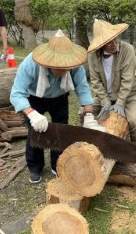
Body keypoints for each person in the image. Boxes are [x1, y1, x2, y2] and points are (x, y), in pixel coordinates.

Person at [10, 30, 104, 184]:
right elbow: (16, 93)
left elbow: (82, 87)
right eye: (58, 68)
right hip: (34, 98)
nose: (63, 71)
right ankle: (35, 167)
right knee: (36, 132)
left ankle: (58, 164)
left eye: (65, 68)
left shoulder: (73, 65)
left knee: (60, 131)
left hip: (59, 97)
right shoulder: (30, 64)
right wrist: (32, 113)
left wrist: (89, 115)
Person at [86, 19, 136, 146]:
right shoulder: (93, 56)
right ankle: (87, 143)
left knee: (134, 121)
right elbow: (95, 81)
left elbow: (128, 80)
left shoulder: (127, 50)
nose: (113, 44)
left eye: (115, 39)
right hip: (105, 96)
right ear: (101, 44)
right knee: (84, 112)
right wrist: (105, 100)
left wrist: (120, 102)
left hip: (128, 96)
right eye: (108, 42)